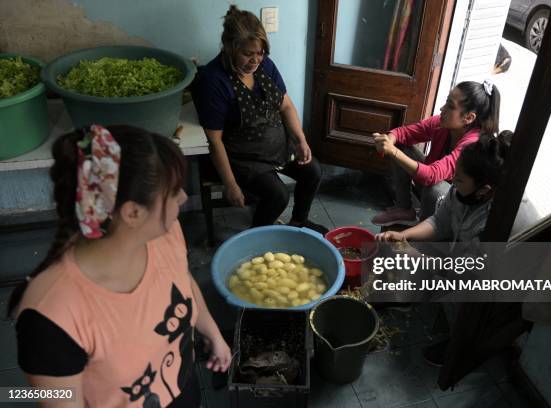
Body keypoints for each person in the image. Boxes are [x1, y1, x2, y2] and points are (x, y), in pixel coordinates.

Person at [8, 125, 232, 407]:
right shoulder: (51, 316)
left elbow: (181, 278)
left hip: (182, 392)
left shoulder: (165, 233)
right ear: (133, 213)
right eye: (174, 192)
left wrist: (212, 333)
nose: (184, 198)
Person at [192, 5, 327, 234]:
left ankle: (298, 222)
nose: (255, 60)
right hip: (244, 156)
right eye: (247, 53)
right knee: (278, 195)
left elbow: (286, 105)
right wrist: (230, 184)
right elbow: (214, 141)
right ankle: (256, 236)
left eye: (260, 52)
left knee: (313, 171)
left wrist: (301, 140)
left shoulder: (265, 66)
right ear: (229, 47)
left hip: (277, 145)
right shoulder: (213, 81)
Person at [372, 80, 501, 226]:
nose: (442, 108)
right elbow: (404, 133)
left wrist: (393, 151)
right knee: (401, 146)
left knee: (433, 188)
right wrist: (388, 141)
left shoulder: (472, 145)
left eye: (450, 106)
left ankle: (427, 228)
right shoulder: (441, 124)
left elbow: (432, 176)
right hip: (430, 188)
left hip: (454, 206)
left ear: (469, 118)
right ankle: (403, 209)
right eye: (446, 102)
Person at [375, 131, 513, 256]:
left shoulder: (494, 223)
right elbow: (439, 222)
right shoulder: (463, 191)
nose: (453, 181)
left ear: (484, 189)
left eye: (459, 179)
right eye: (455, 174)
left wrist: (417, 257)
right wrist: (403, 235)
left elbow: (466, 272)